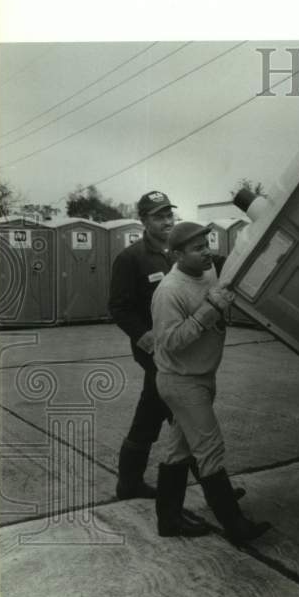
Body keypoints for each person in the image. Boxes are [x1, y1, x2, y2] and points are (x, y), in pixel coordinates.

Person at [150, 221, 271, 543]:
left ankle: (169, 520)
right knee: (210, 449)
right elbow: (169, 341)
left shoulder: (208, 274)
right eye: (198, 248)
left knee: (179, 451)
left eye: (207, 244)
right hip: (182, 381)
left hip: (201, 375)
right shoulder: (169, 291)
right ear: (177, 254)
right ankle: (236, 526)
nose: (207, 252)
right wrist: (210, 310)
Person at [107, 191, 179, 499]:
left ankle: (129, 484)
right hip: (154, 353)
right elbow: (118, 306)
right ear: (144, 221)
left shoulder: (178, 251)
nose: (166, 221)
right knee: (184, 414)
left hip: (179, 347)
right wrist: (143, 336)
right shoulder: (131, 258)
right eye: (159, 216)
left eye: (169, 215)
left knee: (155, 414)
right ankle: (216, 489)